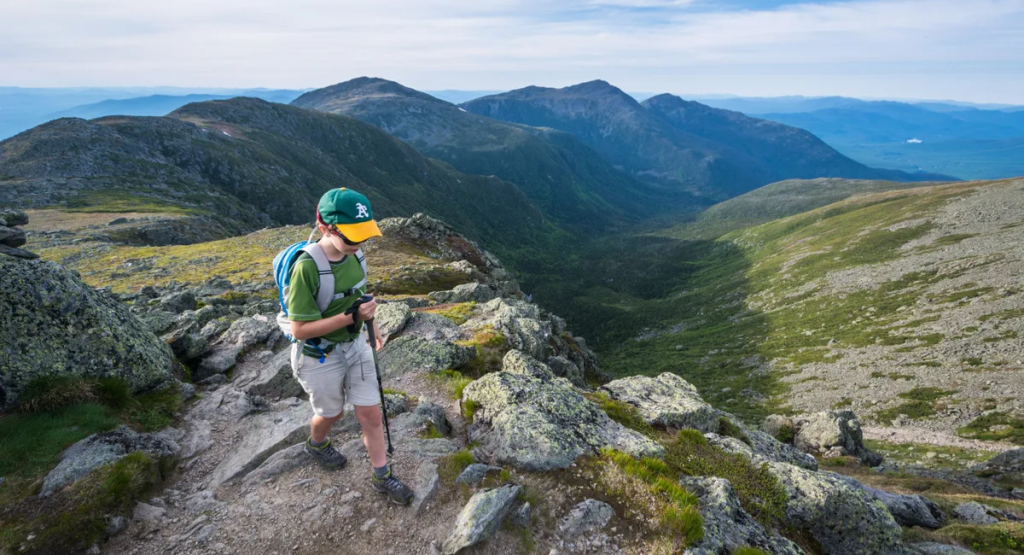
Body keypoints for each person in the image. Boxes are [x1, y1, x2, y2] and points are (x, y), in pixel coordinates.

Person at [285, 187, 414, 505]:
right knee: (331, 413)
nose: (359, 244)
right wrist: (350, 318)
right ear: (327, 227)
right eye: (352, 237)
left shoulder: (356, 255)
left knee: (370, 413)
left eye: (364, 236)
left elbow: (360, 297)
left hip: (356, 343)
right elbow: (299, 329)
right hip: (319, 354)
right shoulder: (306, 267)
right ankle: (316, 444)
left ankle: (382, 476)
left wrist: (373, 324)